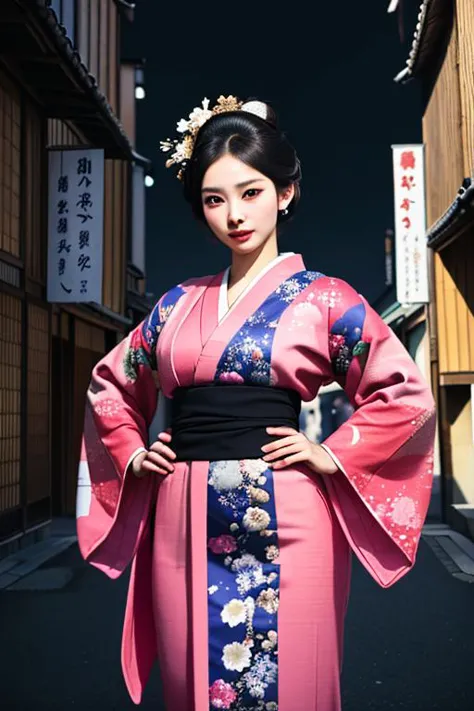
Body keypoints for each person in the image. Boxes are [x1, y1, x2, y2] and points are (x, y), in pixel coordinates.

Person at [76, 95, 436, 710]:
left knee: (293, 679)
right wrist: (133, 454)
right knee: (193, 681)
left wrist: (332, 453)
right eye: (215, 200)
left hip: (288, 514)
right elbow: (111, 383)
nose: (234, 215)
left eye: (251, 192)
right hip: (180, 519)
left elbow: (403, 394)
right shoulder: (174, 306)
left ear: (285, 192)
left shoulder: (325, 300)